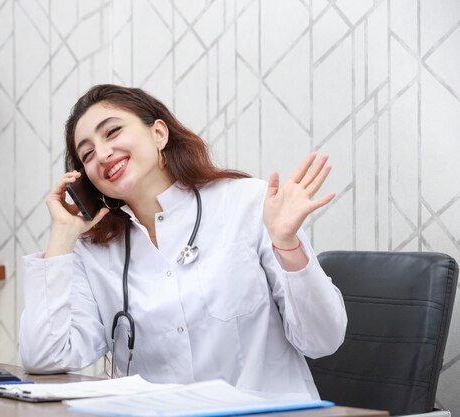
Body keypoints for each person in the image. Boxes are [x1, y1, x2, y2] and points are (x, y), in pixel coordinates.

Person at [19, 84, 347, 400]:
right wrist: (63, 233)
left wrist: (287, 244)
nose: (102, 154)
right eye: (87, 154)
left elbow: (323, 340)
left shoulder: (250, 204)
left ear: (159, 134)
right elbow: (45, 357)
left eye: (113, 132)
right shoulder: (94, 252)